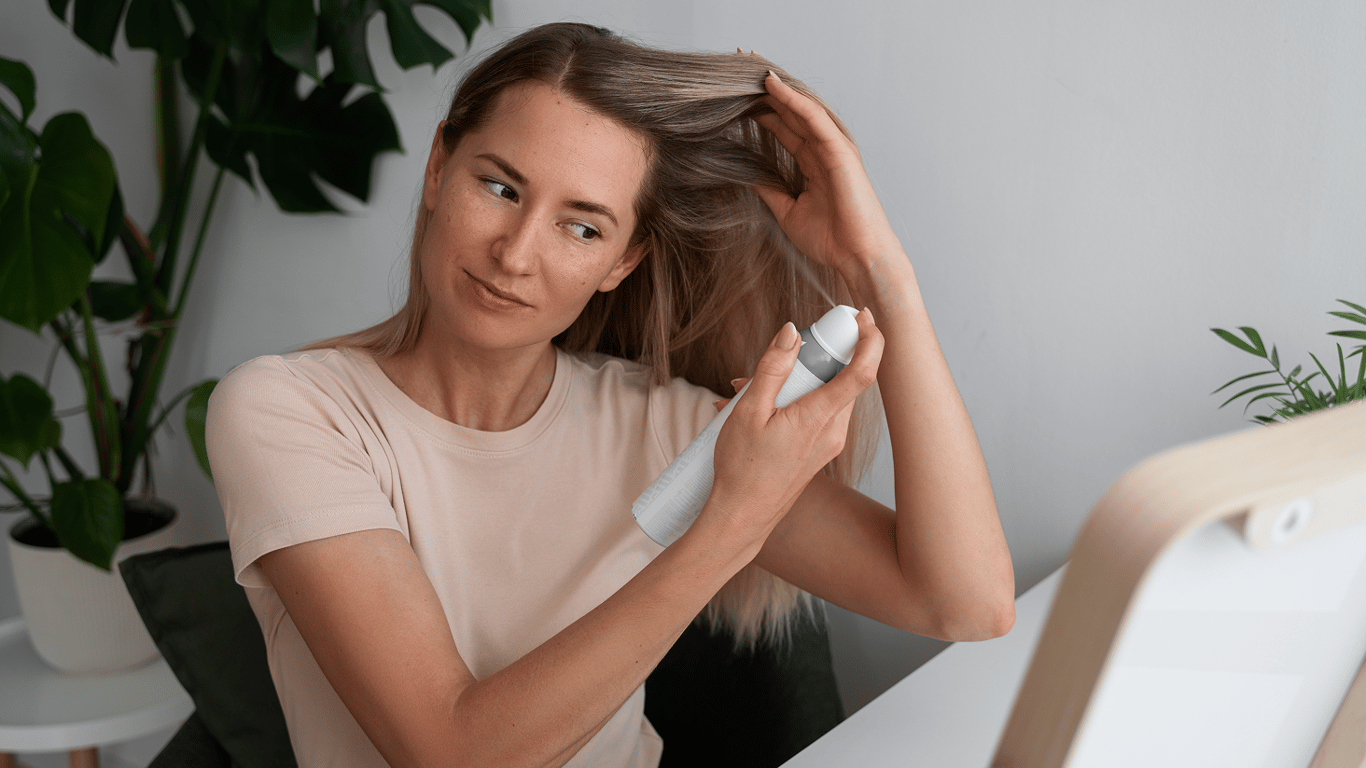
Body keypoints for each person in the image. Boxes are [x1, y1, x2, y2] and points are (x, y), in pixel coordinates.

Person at [206, 21, 1014, 768]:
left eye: (583, 227)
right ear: (438, 168)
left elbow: (966, 604)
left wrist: (880, 274)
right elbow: (453, 752)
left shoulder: (658, 428)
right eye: (500, 188)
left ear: (623, 261)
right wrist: (733, 521)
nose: (516, 253)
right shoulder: (289, 412)